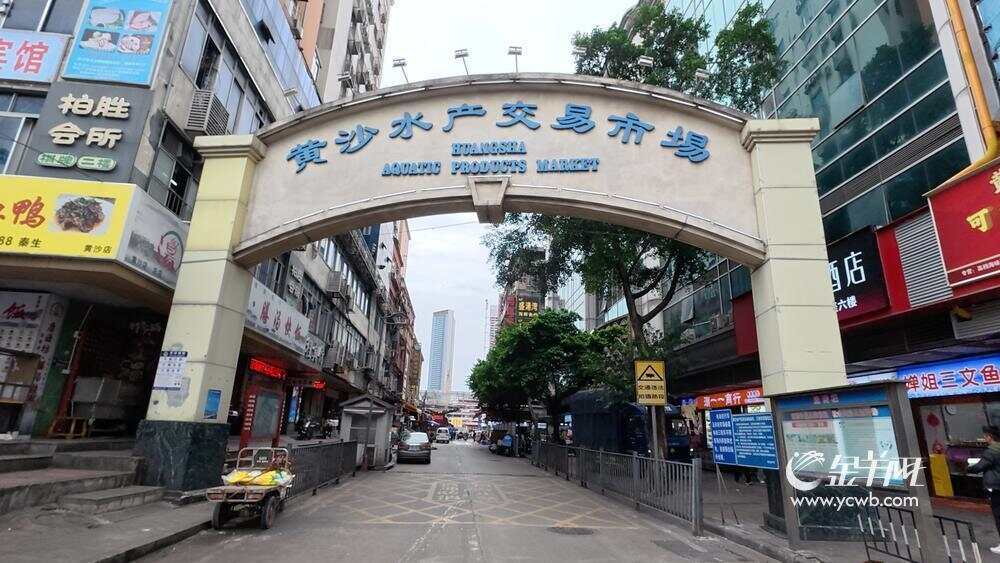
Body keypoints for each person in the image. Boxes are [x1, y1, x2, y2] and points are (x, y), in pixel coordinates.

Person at [968, 425, 1000, 555]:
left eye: (985, 436)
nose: (985, 438)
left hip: (996, 487)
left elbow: (978, 467)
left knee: (998, 515)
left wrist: (968, 468)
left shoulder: (991, 451)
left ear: (990, 437)